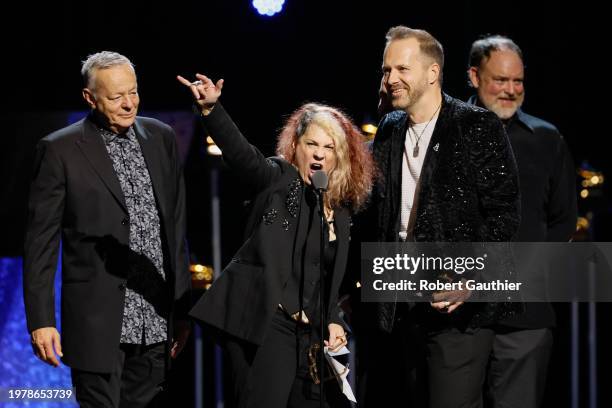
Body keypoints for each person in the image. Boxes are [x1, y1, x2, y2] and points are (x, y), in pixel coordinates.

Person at [177, 73, 374, 407]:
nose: (319, 155)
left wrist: (332, 320)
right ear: (296, 146)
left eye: (328, 148)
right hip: (267, 325)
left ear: (339, 157)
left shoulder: (339, 210)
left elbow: (324, 279)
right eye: (312, 144)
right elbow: (244, 158)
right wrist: (213, 111)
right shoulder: (277, 179)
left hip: (310, 338)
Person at [354, 26, 521, 407]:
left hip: (457, 312)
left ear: (432, 73)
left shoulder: (476, 126)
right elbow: (374, 212)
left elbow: (504, 216)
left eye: (401, 69)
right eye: (386, 70)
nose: (390, 78)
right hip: (398, 308)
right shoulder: (390, 127)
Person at [23, 51, 191, 407]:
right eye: (116, 97)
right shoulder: (60, 150)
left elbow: (175, 228)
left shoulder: (160, 138)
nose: (129, 104)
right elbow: (41, 242)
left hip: (156, 318)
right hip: (97, 323)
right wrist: (41, 320)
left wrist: (182, 308)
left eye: (133, 92)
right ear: (90, 98)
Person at [467, 35, 577, 408]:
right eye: (500, 80)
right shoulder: (444, 134)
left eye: (518, 82)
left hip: (525, 317)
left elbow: (563, 221)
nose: (511, 90)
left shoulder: (547, 139)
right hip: (457, 320)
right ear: (474, 76)